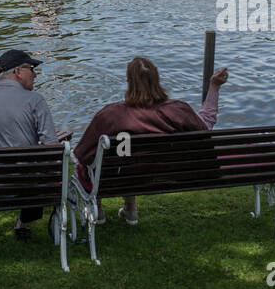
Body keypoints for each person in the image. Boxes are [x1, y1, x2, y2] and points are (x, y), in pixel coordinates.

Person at [73, 57, 229, 224]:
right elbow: (206, 125)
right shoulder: (179, 110)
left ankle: (99, 208)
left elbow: (81, 155)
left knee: (96, 160)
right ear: (157, 79)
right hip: (161, 176)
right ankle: (130, 208)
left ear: (129, 81)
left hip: (118, 178)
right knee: (128, 157)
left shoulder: (111, 115)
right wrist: (214, 87)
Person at [0, 49, 58, 244]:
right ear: (18, 71)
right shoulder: (36, 100)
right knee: (39, 167)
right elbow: (52, 147)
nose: (35, 74)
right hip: (24, 185)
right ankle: (24, 223)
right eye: (32, 69)